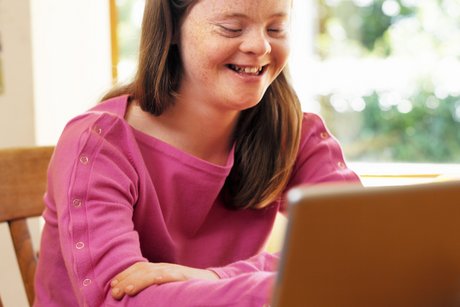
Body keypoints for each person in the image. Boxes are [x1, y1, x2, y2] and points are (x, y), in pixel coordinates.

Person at [33, 0, 360, 306]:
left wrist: (215, 277)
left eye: (276, 29)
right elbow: (119, 298)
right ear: (172, 28)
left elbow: (360, 247)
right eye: (232, 28)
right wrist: (286, 285)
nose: (260, 46)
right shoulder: (97, 146)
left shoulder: (295, 133)